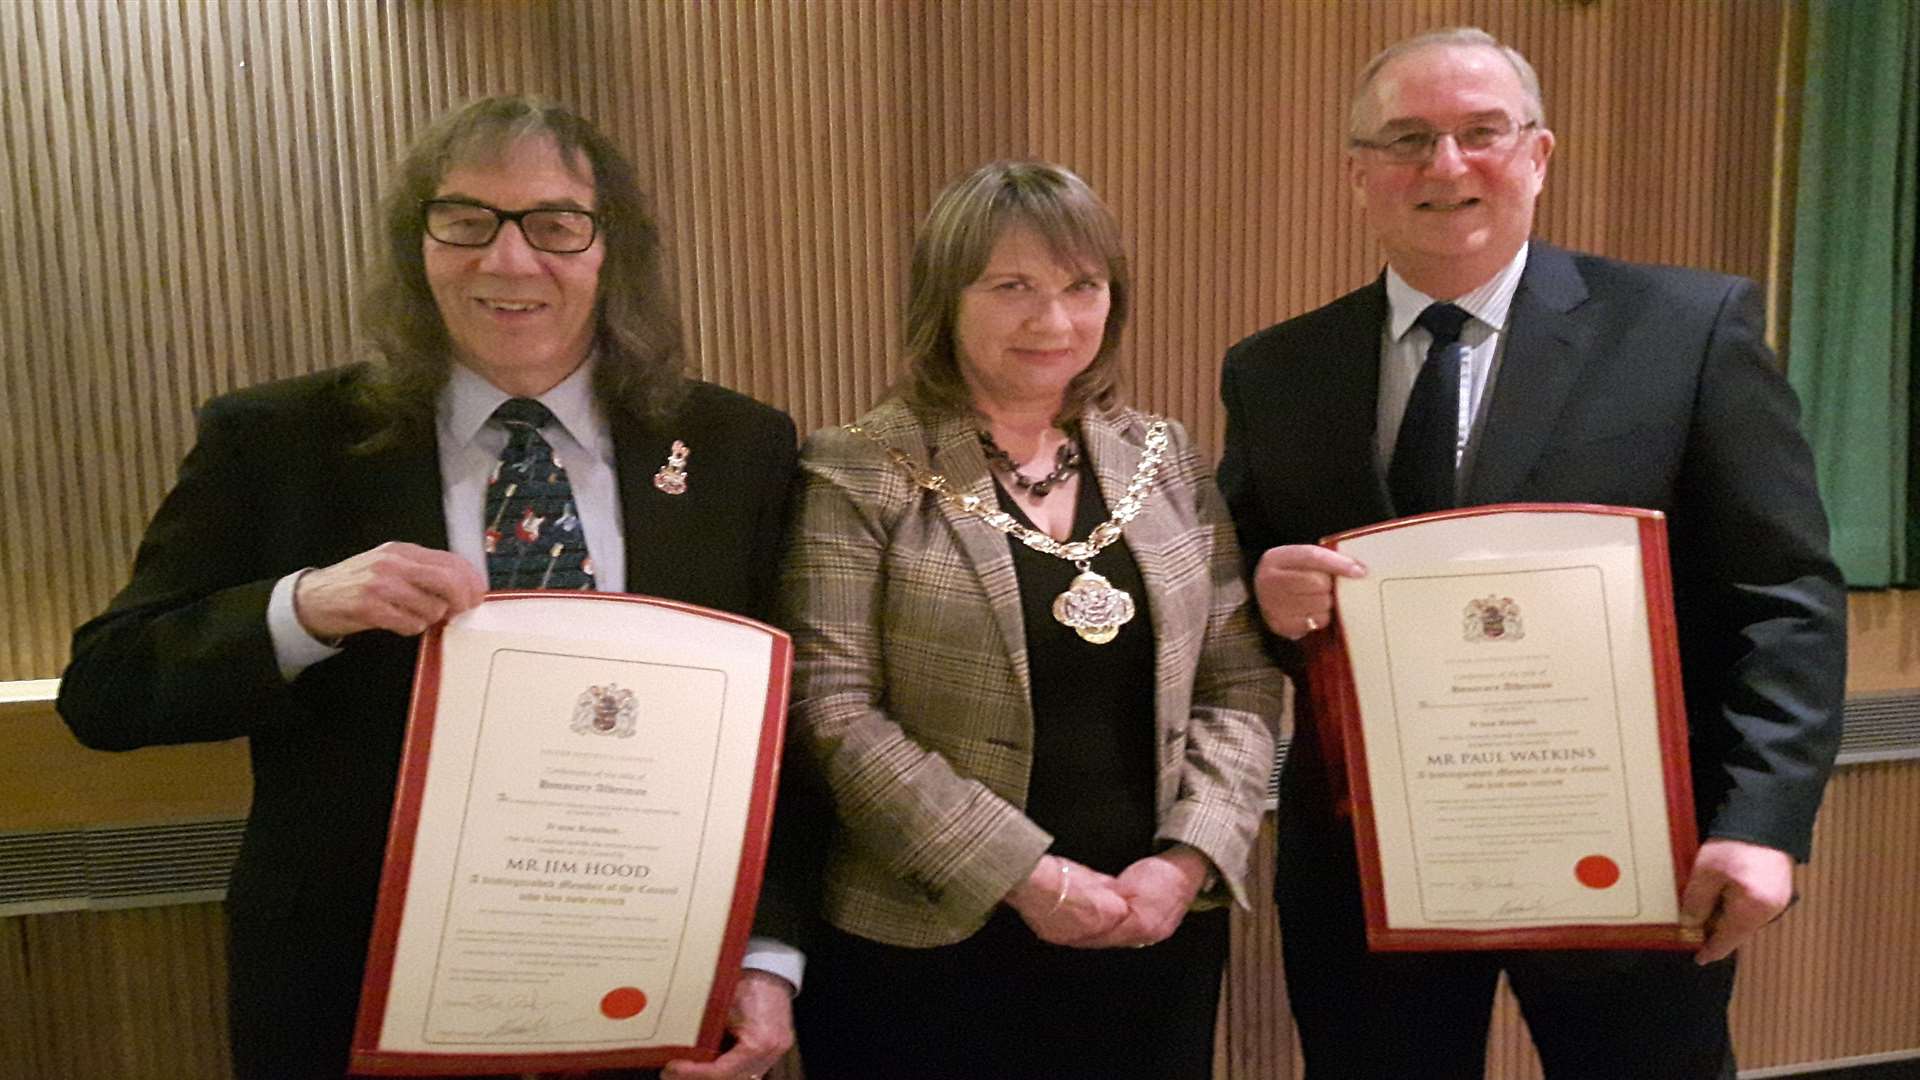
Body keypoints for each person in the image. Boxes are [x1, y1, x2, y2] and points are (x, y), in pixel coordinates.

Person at [58, 96, 802, 1080]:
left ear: (610, 247)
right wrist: (304, 607)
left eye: (555, 223)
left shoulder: (735, 447)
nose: (509, 260)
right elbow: (105, 692)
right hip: (354, 1000)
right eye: (466, 220)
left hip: (651, 1001)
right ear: (416, 244)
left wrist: (767, 955)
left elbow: (784, 731)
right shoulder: (280, 442)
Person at [1217, 27, 1847, 1079]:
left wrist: (1766, 821)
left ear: (1539, 155)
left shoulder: (1688, 329)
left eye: (1481, 133)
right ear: (1358, 172)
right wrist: (1263, 596)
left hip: (1641, 858)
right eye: (1408, 138)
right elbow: (1229, 593)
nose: (1446, 166)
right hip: (1373, 868)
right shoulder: (1277, 370)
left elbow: (1784, 593)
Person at [777, 160, 1282, 1080]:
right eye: (1012, 287)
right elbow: (833, 710)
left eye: (1080, 286)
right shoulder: (859, 469)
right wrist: (1025, 876)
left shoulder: (1166, 461)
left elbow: (1240, 681)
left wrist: (1188, 862)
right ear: (946, 297)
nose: (1053, 321)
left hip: (1148, 933)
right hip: (928, 944)